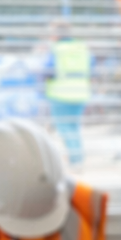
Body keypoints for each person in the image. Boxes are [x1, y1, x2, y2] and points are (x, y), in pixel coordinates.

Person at [41, 21, 92, 167]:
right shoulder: (82, 47)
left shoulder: (56, 49)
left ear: (56, 34)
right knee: (74, 126)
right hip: (81, 93)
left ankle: (75, 161)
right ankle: (78, 158)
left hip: (60, 94)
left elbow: (48, 70)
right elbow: (92, 66)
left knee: (64, 128)